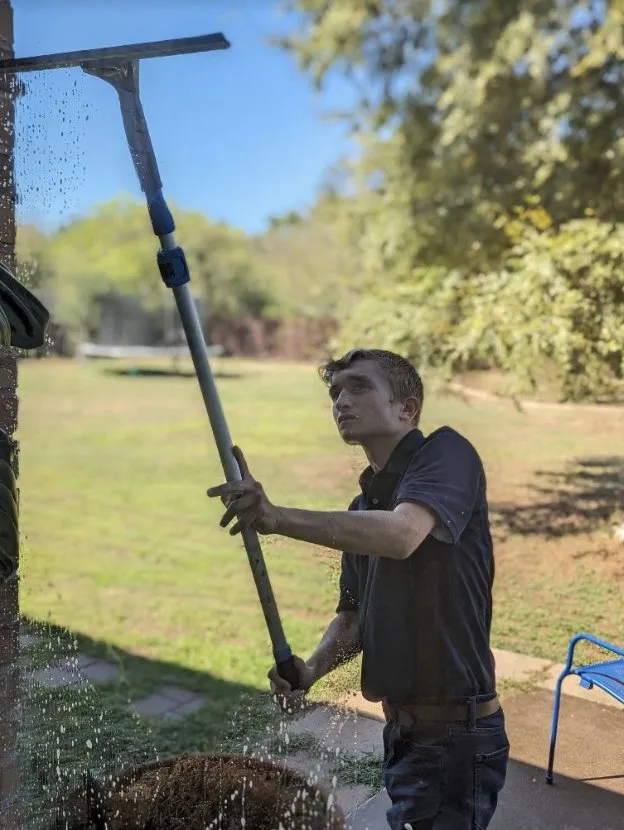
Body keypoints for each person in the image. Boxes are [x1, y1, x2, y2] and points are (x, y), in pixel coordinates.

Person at [207, 348, 509, 830]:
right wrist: (311, 670)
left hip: (457, 734)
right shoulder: (363, 504)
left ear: (407, 408)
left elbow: (402, 534)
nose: (341, 401)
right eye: (335, 392)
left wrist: (276, 517)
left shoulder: (448, 453)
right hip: (405, 732)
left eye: (359, 387)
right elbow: (352, 618)